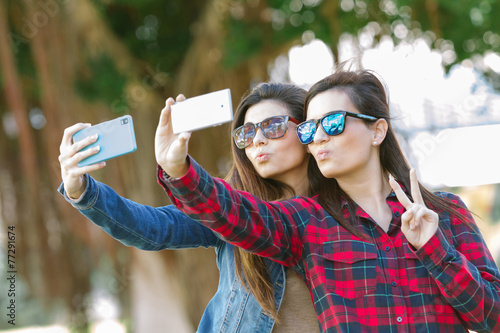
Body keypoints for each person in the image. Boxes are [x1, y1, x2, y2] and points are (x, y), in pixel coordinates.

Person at [156, 68, 500, 332]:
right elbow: (233, 213)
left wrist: (436, 252)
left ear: (377, 131)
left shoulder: (445, 212)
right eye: (308, 128)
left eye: (333, 123)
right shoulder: (306, 221)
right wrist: (179, 169)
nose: (318, 137)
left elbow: (492, 318)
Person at [57, 83, 321, 332]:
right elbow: (154, 228)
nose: (258, 141)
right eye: (247, 133)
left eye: (274, 126)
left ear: (307, 129)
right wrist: (81, 190)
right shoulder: (226, 209)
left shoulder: (342, 209)